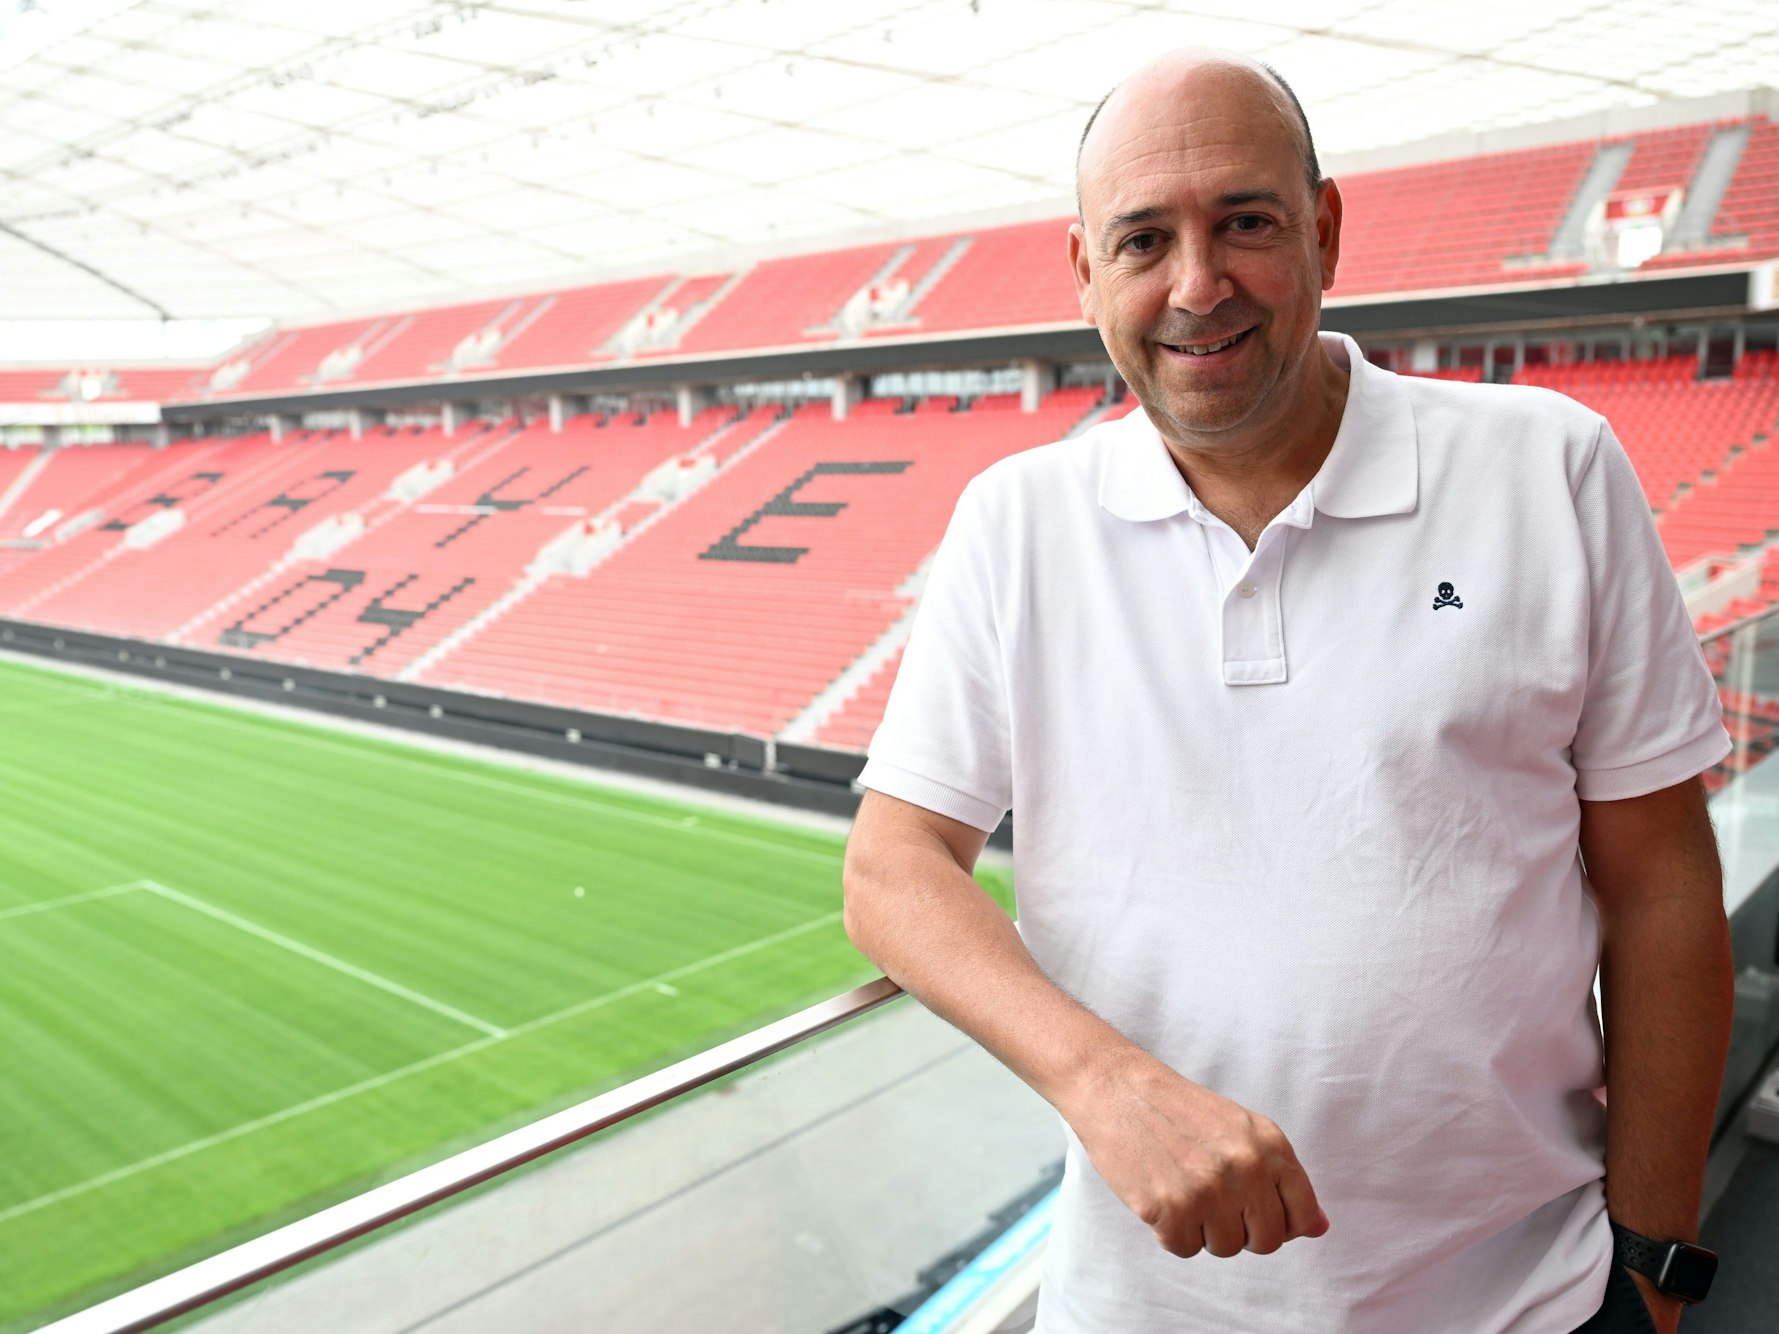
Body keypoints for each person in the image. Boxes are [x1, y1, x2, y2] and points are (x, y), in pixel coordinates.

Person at [841, 48, 1735, 1334]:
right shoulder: (1016, 521)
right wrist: (1104, 1081)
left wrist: (1653, 1267)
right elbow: (892, 865)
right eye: (1144, 240)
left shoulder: (1551, 468)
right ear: (1085, 271)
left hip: (1526, 1300)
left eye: (1246, 222)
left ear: (1324, 230)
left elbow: (1662, 885)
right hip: (1139, 1311)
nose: (1197, 285)